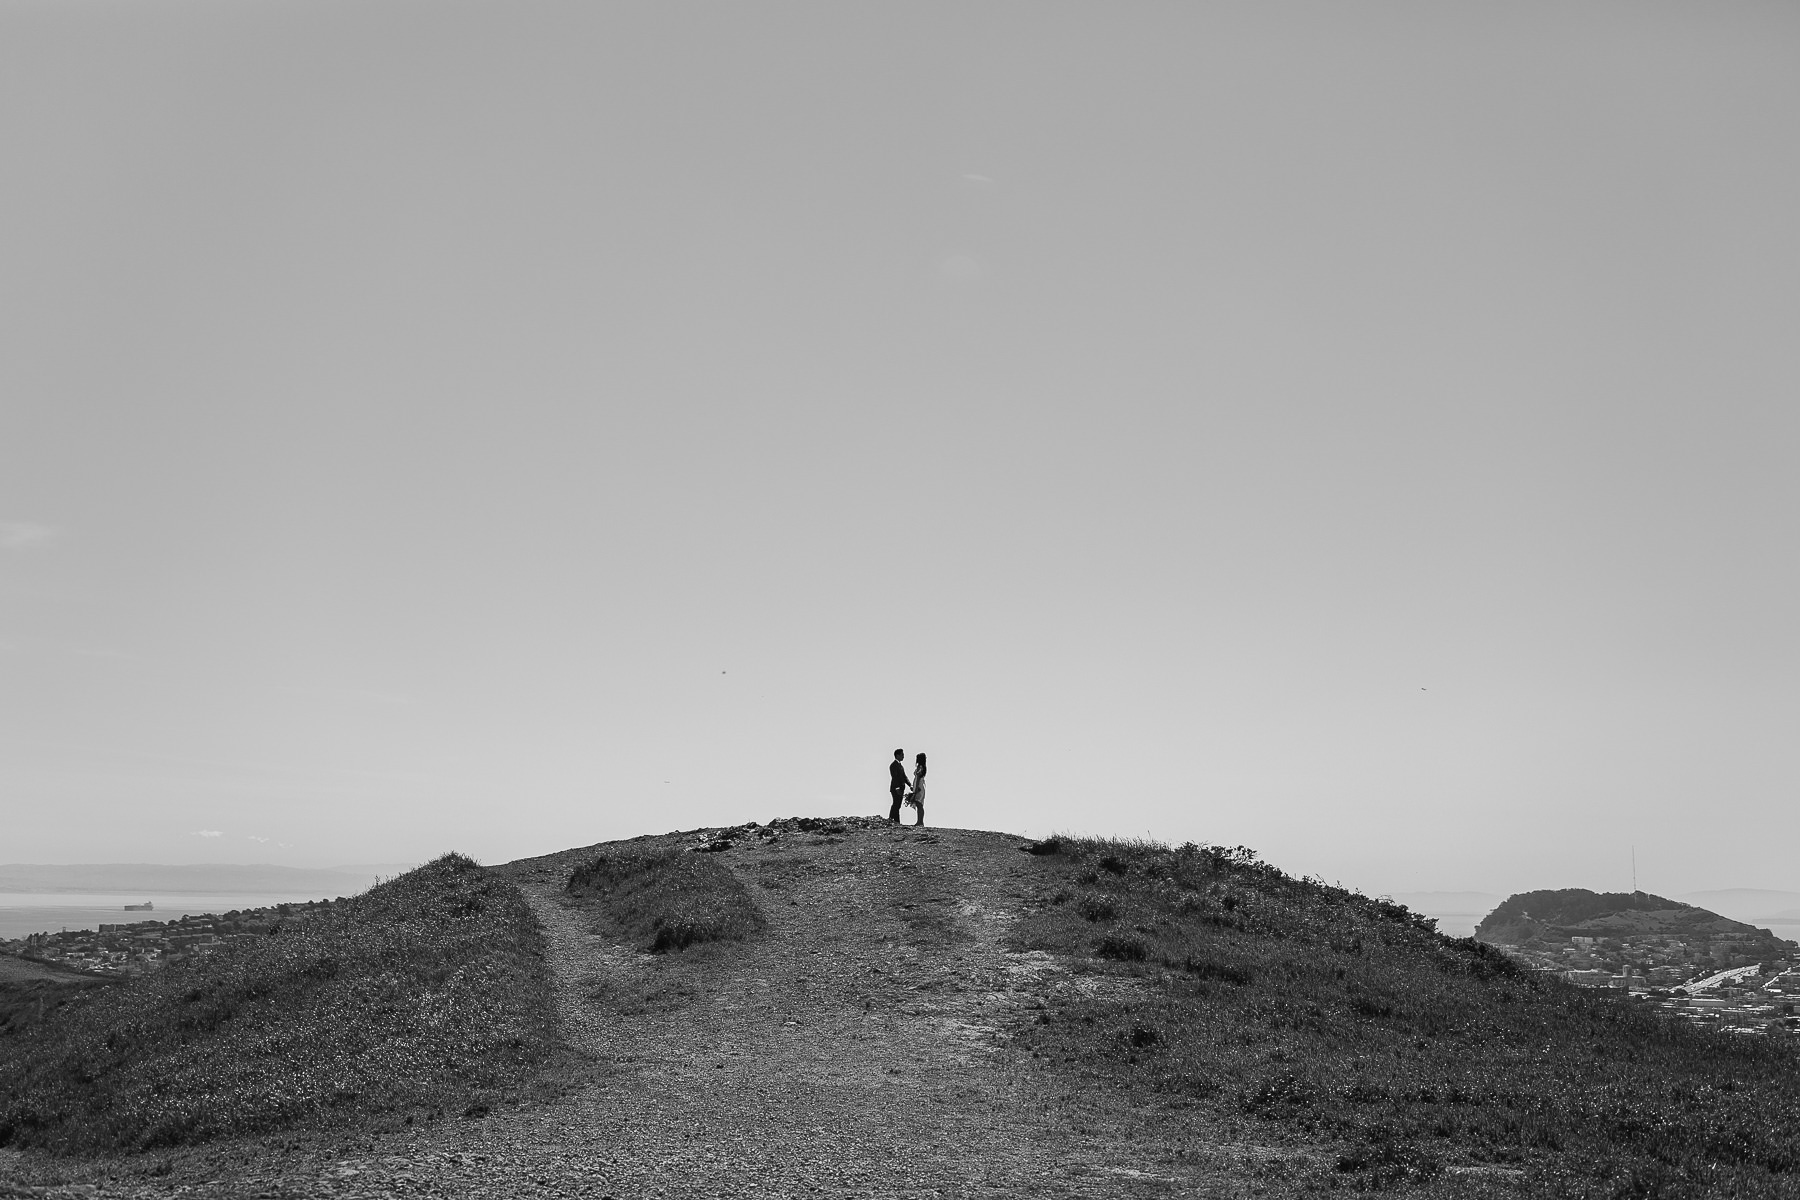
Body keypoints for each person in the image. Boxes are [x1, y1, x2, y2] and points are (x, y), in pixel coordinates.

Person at [905, 752, 927, 827]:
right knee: (920, 804)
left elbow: (917, 778)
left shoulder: (919, 767)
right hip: (921, 786)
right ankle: (920, 821)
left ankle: (920, 821)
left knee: (919, 804)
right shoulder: (923, 767)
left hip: (919, 786)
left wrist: (916, 788)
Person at [887, 749, 909, 823]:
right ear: (897, 755)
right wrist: (897, 788)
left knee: (898, 805)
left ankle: (895, 821)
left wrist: (910, 785)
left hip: (901, 788)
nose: (903, 756)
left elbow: (904, 777)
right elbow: (895, 777)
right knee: (896, 804)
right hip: (896, 789)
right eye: (902, 754)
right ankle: (891, 820)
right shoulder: (893, 765)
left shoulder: (900, 766)